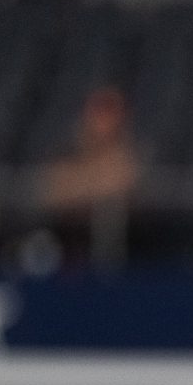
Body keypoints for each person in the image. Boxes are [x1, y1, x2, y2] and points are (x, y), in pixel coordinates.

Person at [39, 86, 141, 268]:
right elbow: (53, 192)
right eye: (97, 111)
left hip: (122, 256)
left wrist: (82, 185)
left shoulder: (131, 157)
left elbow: (123, 185)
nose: (101, 121)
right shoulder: (67, 153)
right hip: (66, 251)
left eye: (108, 112)